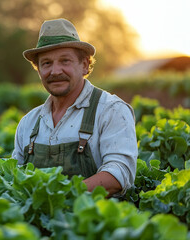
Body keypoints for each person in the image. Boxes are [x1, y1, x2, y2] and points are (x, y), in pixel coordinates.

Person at [11, 18, 137, 196]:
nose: (55, 71)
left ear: (85, 65)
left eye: (65, 61)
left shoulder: (111, 110)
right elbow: (15, 175)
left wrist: (60, 195)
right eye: (46, 63)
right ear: (38, 70)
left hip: (94, 221)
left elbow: (118, 175)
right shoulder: (28, 123)